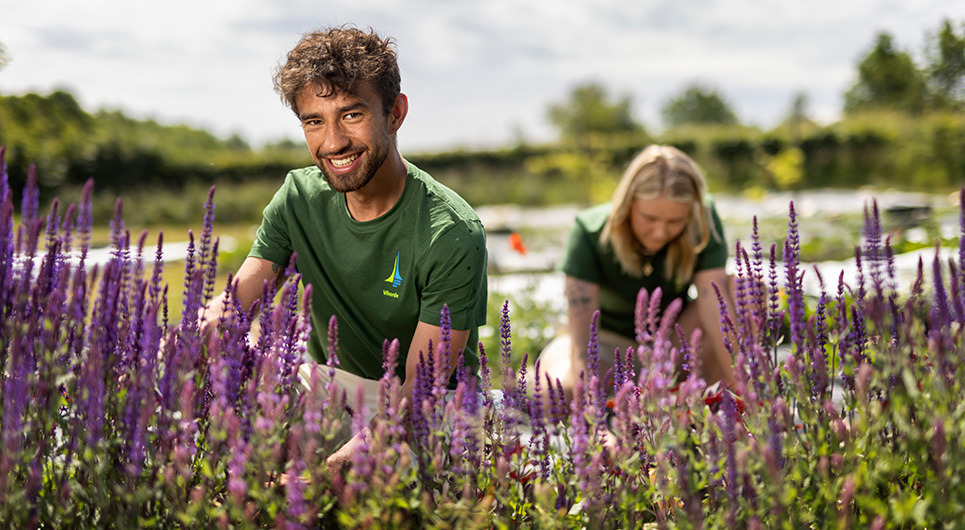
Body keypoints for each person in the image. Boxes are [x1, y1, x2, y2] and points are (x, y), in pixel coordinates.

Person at [198, 26, 488, 477]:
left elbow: (421, 389)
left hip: (429, 406)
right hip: (330, 384)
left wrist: (325, 472)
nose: (332, 142)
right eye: (314, 121)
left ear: (395, 113)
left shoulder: (449, 231)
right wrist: (197, 337)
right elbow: (239, 298)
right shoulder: (298, 196)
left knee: (376, 481)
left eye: (351, 115)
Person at [538, 145, 735, 399]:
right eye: (650, 218)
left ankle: (721, 398)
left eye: (675, 222)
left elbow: (714, 300)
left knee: (745, 290)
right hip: (607, 345)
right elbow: (583, 344)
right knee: (556, 394)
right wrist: (595, 422)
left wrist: (748, 389)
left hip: (671, 343)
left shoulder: (702, 216)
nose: (661, 232)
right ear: (628, 204)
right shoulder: (589, 231)